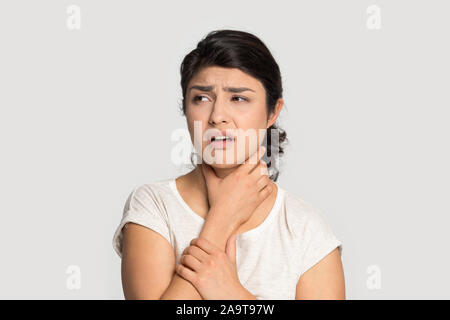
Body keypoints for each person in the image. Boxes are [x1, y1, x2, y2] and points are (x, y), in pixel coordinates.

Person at [112, 29, 345, 300]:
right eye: (201, 98)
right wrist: (222, 217)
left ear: (273, 111)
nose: (218, 116)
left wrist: (231, 293)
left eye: (238, 98)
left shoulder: (307, 231)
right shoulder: (153, 206)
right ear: (186, 108)